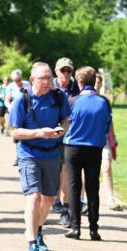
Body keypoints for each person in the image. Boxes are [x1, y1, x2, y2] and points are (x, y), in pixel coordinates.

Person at [9, 62, 70, 251]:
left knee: (49, 199)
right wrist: (39, 133)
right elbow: (15, 131)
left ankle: (38, 229)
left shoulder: (59, 97)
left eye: (49, 77)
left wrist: (61, 130)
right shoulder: (22, 99)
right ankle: (32, 244)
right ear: (32, 79)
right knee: (33, 197)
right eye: (42, 78)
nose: (47, 82)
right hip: (29, 153)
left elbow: (65, 121)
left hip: (52, 153)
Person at [63, 66, 112, 241]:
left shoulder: (72, 101)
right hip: (94, 148)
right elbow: (107, 125)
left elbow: (65, 125)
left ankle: (75, 228)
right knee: (93, 188)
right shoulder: (103, 102)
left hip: (73, 148)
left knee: (74, 188)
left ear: (79, 81)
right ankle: (93, 229)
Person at [51, 57, 80, 215]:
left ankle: (65, 203)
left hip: (70, 134)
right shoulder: (50, 86)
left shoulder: (76, 88)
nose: (66, 74)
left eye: (69, 70)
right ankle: (54, 200)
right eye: (63, 70)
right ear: (56, 71)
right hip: (51, 133)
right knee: (53, 169)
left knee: (66, 169)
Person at [95, 73, 122, 211]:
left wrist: (113, 136)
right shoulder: (82, 98)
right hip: (88, 140)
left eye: (99, 83)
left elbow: (109, 120)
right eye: (95, 82)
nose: (97, 86)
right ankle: (84, 198)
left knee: (106, 167)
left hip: (104, 138)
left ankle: (110, 198)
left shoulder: (104, 101)